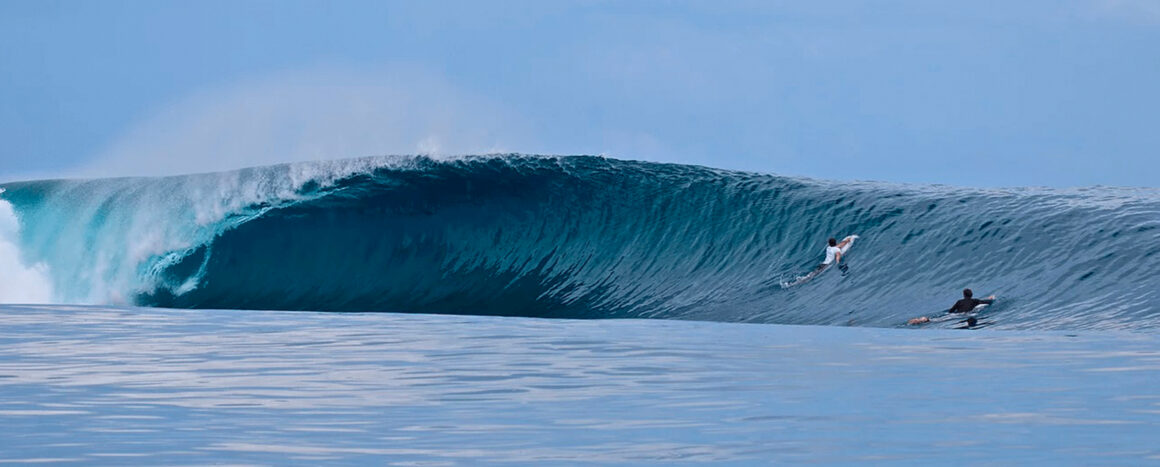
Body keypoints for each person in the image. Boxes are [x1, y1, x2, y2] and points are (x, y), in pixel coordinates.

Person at [908, 288, 996, 325]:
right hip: (966, 315)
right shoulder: (975, 301)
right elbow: (986, 302)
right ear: (971, 294)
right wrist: (990, 298)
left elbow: (950, 311)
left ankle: (923, 320)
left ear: (964, 295)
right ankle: (924, 320)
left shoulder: (959, 301)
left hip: (956, 314)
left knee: (939, 319)